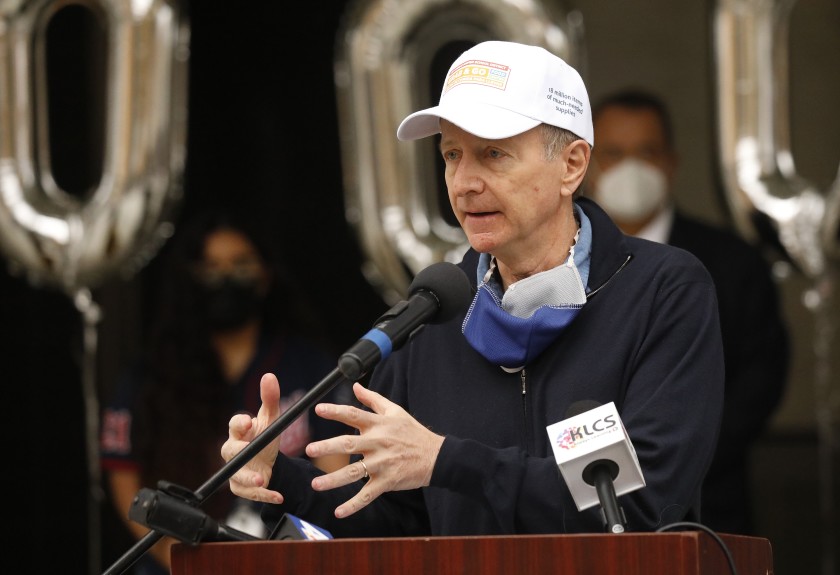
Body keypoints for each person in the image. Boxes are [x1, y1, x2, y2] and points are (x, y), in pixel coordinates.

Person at [221, 41, 725, 538]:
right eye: (452, 155)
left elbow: (644, 504)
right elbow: (398, 521)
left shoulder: (661, 289)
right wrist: (276, 475)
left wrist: (447, 460)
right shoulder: (433, 310)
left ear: (571, 165)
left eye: (493, 154)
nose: (464, 182)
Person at [99, 208, 352, 574]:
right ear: (191, 278)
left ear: (266, 275)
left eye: (240, 264)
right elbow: (129, 490)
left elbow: (333, 482)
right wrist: (192, 564)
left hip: (285, 562)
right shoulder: (148, 377)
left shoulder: (312, 368)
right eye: (211, 267)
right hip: (178, 565)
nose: (226, 278)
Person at [586, 88, 790, 535]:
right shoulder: (558, 264)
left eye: (647, 152)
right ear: (584, 163)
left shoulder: (732, 262)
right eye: (615, 153)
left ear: (671, 162)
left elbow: (761, 376)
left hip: (708, 507)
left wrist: (678, 454)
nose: (631, 167)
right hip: (582, 508)